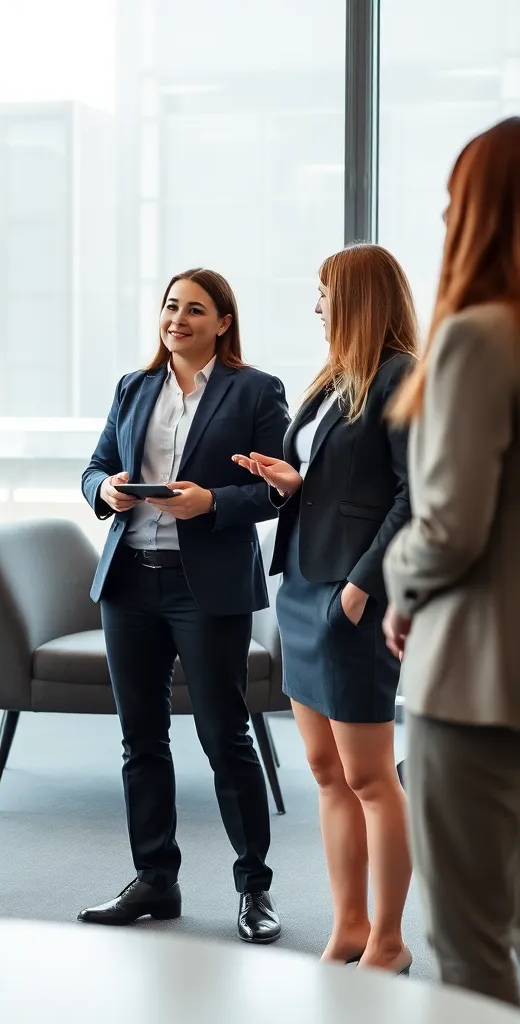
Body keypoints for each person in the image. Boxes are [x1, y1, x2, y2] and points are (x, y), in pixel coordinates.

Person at [78, 269, 289, 940]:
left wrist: (213, 502)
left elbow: (280, 488)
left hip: (208, 587)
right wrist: (104, 489)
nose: (178, 318)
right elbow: (94, 465)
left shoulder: (255, 391)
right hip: (131, 583)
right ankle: (155, 880)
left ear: (223, 322)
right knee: (140, 738)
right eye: (171, 306)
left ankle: (254, 887)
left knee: (224, 735)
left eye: (195, 309)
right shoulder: (134, 388)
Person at [233, 244, 417, 975]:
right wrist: (292, 483)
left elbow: (414, 494)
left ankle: (391, 941)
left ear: (360, 298)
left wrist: (363, 584)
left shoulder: (402, 377)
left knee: (372, 777)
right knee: (325, 769)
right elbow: (338, 483)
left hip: (352, 595)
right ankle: (349, 926)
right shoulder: (334, 379)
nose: (316, 306)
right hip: (303, 588)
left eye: (325, 293)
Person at [382, 117, 520, 1005]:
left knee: (470, 952)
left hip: (478, 680)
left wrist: (399, 583)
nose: (442, 223)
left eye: (449, 204)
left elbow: (450, 529)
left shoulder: (478, 338)